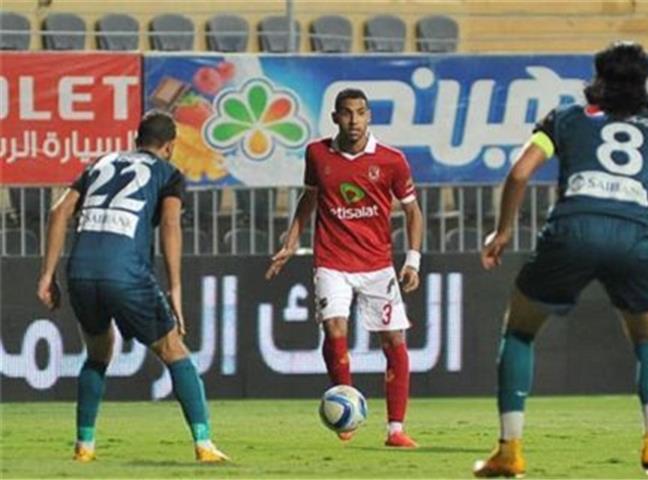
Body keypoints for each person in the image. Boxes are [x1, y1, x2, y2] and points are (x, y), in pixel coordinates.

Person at [473, 42, 648, 479]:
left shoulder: (564, 118)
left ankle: (509, 450)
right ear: (644, 83)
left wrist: (503, 231)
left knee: (520, 333)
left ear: (598, 78)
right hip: (635, 239)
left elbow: (519, 172)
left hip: (572, 231)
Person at [37, 111, 229, 464]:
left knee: (97, 354)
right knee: (174, 351)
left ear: (136, 139)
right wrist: (175, 288)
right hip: (126, 272)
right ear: (170, 147)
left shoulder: (101, 163)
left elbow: (58, 212)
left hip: (80, 272)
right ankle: (204, 444)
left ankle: (84, 446)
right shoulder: (168, 173)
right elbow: (170, 224)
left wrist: (47, 275)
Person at [265, 88, 424, 448]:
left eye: (361, 113)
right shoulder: (317, 153)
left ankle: (395, 430)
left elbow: (413, 211)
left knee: (394, 340)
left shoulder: (392, 160)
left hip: (377, 264)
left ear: (369, 116)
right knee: (335, 329)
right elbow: (309, 198)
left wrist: (412, 260)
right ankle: (346, 408)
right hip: (332, 261)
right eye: (347, 113)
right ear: (335, 117)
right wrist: (291, 241)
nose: (354, 120)